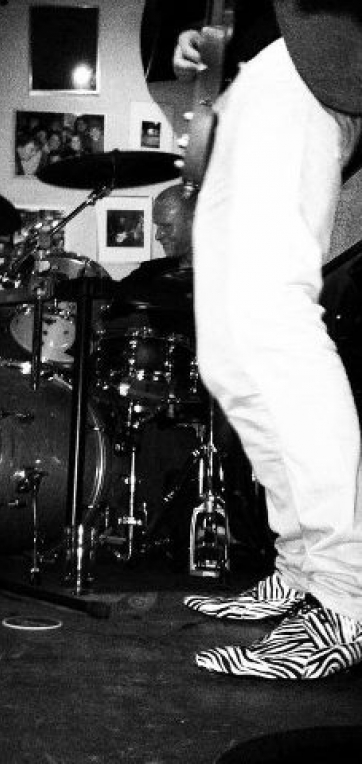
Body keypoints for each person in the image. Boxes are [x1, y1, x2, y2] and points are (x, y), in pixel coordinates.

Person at [171, 1, 362, 680]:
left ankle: (345, 594)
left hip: (305, 60)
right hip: (244, 85)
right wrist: (208, 42)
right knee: (228, 353)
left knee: (274, 318)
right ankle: (303, 569)